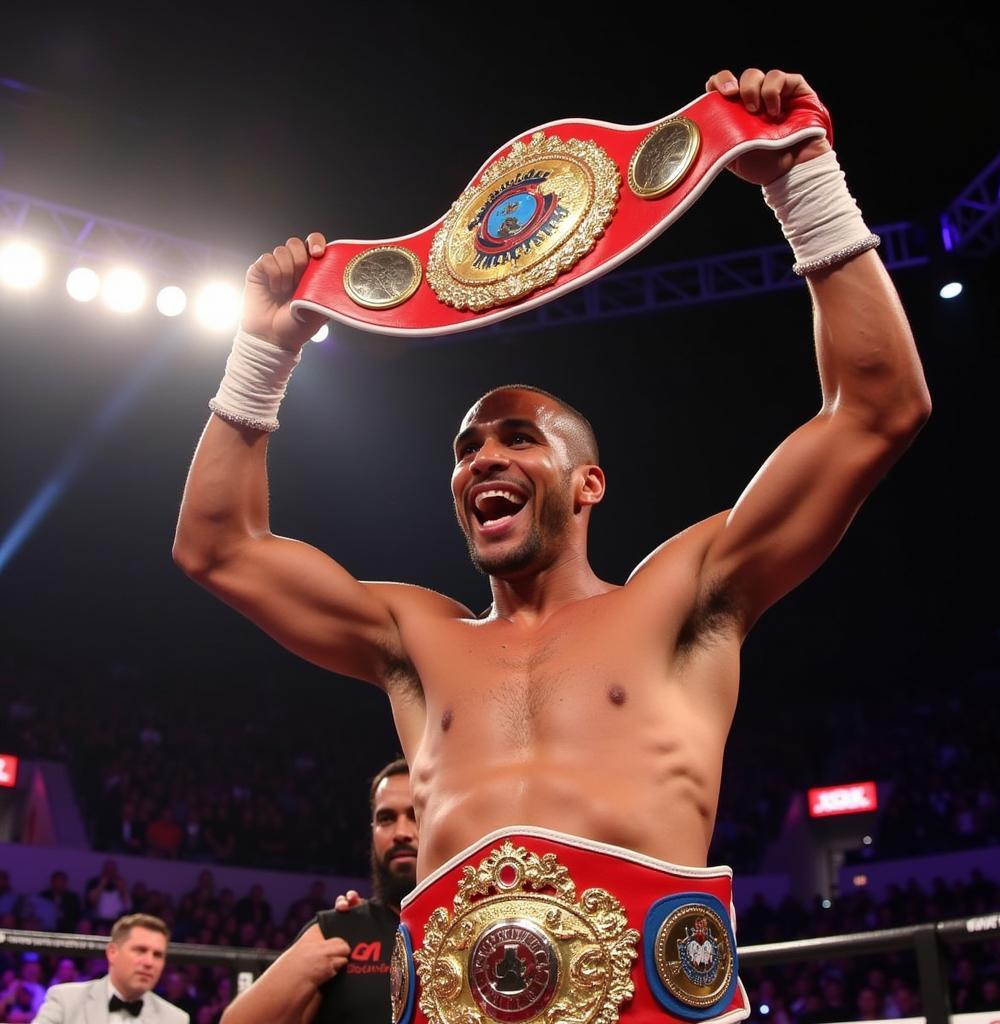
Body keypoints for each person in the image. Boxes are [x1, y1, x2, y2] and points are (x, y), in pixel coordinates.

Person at [173, 68, 930, 1022]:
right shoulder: (414, 637)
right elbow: (218, 548)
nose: (482, 457)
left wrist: (804, 181)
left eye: (517, 438)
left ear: (588, 484)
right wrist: (262, 351)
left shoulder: (684, 594)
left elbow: (874, 411)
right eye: (466, 449)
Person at [221, 759, 417, 1024]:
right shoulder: (340, 930)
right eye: (386, 819)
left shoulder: (478, 923)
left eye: (415, 815)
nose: (401, 833)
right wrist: (299, 969)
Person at [32, 913, 187, 1024]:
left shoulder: (175, 1019)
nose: (149, 962)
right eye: (140, 950)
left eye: (158, 955)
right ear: (113, 952)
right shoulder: (66, 999)